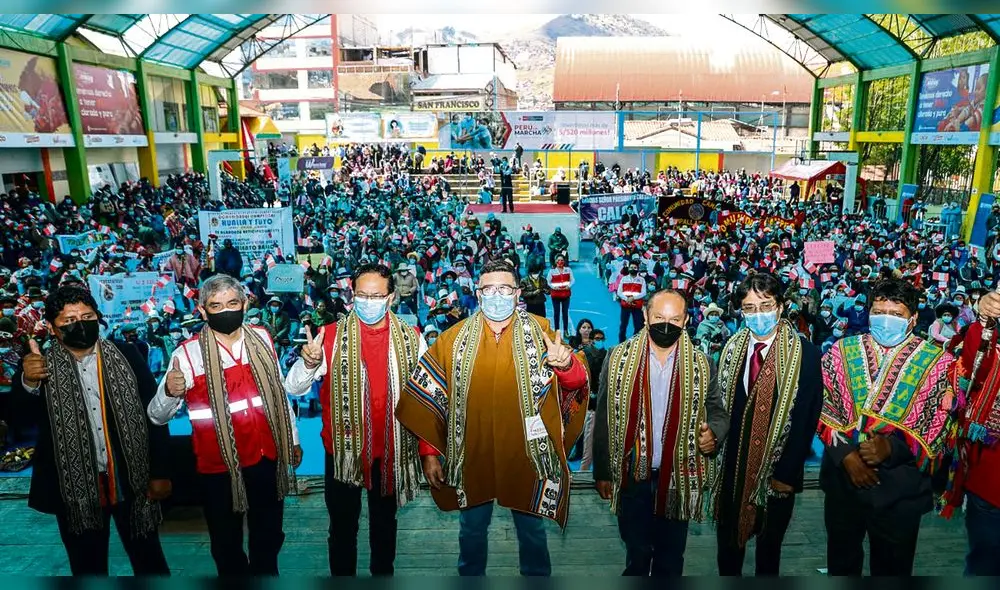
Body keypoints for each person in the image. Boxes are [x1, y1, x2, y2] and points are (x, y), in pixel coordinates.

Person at [396, 259, 590, 576]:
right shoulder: (452, 339)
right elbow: (430, 395)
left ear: (517, 294)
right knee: (471, 530)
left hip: (526, 453)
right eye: (489, 288)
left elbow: (577, 384)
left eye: (504, 288)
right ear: (478, 292)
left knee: (532, 530)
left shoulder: (543, 332)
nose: (496, 295)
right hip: (473, 452)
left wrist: (566, 367)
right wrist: (429, 452)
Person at [147, 274, 302, 576]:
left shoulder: (263, 339)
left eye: (232, 303)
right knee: (226, 541)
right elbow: (157, 416)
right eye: (216, 306)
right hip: (218, 465)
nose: (226, 311)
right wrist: (169, 391)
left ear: (245, 304)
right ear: (202, 311)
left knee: (268, 534)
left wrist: (292, 438)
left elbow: (277, 394)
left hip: (265, 456)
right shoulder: (187, 354)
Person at [14, 286, 171, 575]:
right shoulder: (38, 366)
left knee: (150, 562)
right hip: (74, 491)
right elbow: (19, 420)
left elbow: (154, 416)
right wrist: (28, 382)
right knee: (87, 568)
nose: (80, 324)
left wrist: (160, 472)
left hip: (132, 482)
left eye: (87, 316)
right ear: (51, 327)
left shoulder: (128, 355)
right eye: (69, 320)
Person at [284, 264, 426, 576]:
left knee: (385, 525)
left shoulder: (412, 339)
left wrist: (429, 452)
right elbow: (293, 388)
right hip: (343, 455)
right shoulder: (330, 337)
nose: (368, 302)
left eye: (376, 296)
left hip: (390, 452)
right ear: (352, 295)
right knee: (343, 529)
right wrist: (308, 363)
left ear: (390, 299)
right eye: (362, 295)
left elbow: (424, 400)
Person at [817, 279, 961, 576]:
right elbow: (821, 405)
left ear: (913, 318)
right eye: (879, 311)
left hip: (900, 489)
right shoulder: (839, 352)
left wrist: (892, 447)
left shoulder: (937, 362)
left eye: (895, 314)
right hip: (844, 483)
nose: (886, 319)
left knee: (893, 570)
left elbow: (940, 423)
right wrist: (846, 456)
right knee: (841, 566)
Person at [593, 288, 729, 577]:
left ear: (685, 321)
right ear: (644, 316)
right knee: (637, 553)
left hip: (679, 476)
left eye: (675, 319)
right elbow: (603, 417)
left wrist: (714, 434)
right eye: (659, 317)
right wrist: (602, 471)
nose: (666, 325)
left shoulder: (703, 364)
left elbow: (718, 412)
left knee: (671, 557)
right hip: (632, 475)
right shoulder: (616, 358)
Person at [714, 273, 823, 576]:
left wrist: (787, 474)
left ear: (781, 306)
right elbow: (722, 408)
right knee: (727, 550)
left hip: (777, 473)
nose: (758, 314)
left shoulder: (807, 355)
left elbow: (806, 419)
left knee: (768, 550)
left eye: (765, 305)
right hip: (732, 469)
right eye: (749, 308)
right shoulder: (730, 350)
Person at [941, 291, 1000, 575]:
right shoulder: (992, 340)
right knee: (985, 564)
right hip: (992, 482)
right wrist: (986, 317)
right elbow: (974, 369)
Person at [617, 263, 647, 342]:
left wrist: (633, 298)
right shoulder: (624, 279)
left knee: (638, 325)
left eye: (635, 267)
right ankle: (621, 342)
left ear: (637, 269)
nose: (633, 269)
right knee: (623, 325)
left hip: (637, 306)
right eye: (631, 267)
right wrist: (627, 299)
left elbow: (644, 293)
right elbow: (619, 292)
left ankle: (635, 342)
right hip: (625, 305)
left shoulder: (641, 280)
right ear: (628, 268)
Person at [546, 255, 574, 336]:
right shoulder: (552, 271)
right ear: (555, 261)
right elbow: (548, 281)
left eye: (562, 260)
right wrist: (554, 287)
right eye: (558, 260)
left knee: (565, 313)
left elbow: (573, 280)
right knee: (556, 313)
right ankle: (557, 331)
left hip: (566, 295)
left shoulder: (568, 270)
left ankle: (565, 331)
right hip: (555, 295)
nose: (560, 262)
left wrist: (569, 286)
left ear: (564, 261)